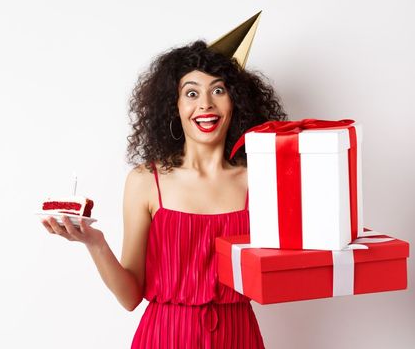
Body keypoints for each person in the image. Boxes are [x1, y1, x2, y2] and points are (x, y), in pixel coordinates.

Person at [39, 35, 287, 348]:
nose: (206, 104)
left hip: (238, 336)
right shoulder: (145, 181)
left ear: (236, 101)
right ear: (175, 106)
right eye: (192, 93)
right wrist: (95, 242)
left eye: (219, 90)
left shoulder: (263, 179)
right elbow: (130, 298)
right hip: (166, 336)